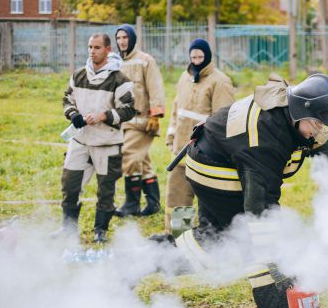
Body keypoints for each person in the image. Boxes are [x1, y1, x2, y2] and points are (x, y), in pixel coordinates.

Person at [154, 73, 328, 308]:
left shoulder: (293, 107)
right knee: (252, 243)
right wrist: (280, 266)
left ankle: (142, 258)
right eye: (316, 125)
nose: (318, 132)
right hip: (215, 169)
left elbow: (318, 143)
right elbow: (260, 209)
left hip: (223, 155)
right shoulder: (266, 141)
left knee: (213, 242)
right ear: (300, 111)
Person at [54, 33, 135, 243]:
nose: (92, 51)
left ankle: (101, 230)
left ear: (108, 50)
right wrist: (73, 114)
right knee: (69, 185)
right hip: (80, 141)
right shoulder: (78, 75)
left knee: (105, 189)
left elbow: (129, 110)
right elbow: (67, 98)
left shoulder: (120, 80)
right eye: (90, 47)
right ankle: (68, 229)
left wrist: (104, 116)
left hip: (107, 143)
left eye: (97, 47)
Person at [162, 38, 235, 234]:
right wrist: (171, 136)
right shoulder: (184, 78)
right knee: (177, 196)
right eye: (193, 56)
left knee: (207, 200)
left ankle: (211, 237)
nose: (196, 60)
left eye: (200, 56)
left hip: (205, 154)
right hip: (180, 149)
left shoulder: (220, 81)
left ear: (208, 56)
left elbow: (223, 120)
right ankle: (177, 235)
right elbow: (177, 110)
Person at [113, 24, 166, 218]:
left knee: (128, 156)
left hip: (143, 121)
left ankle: (131, 204)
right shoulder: (116, 62)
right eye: (118, 38)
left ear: (132, 39)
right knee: (142, 161)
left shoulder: (145, 60)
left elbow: (156, 87)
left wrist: (155, 114)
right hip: (124, 122)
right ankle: (153, 204)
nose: (121, 41)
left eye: (125, 37)